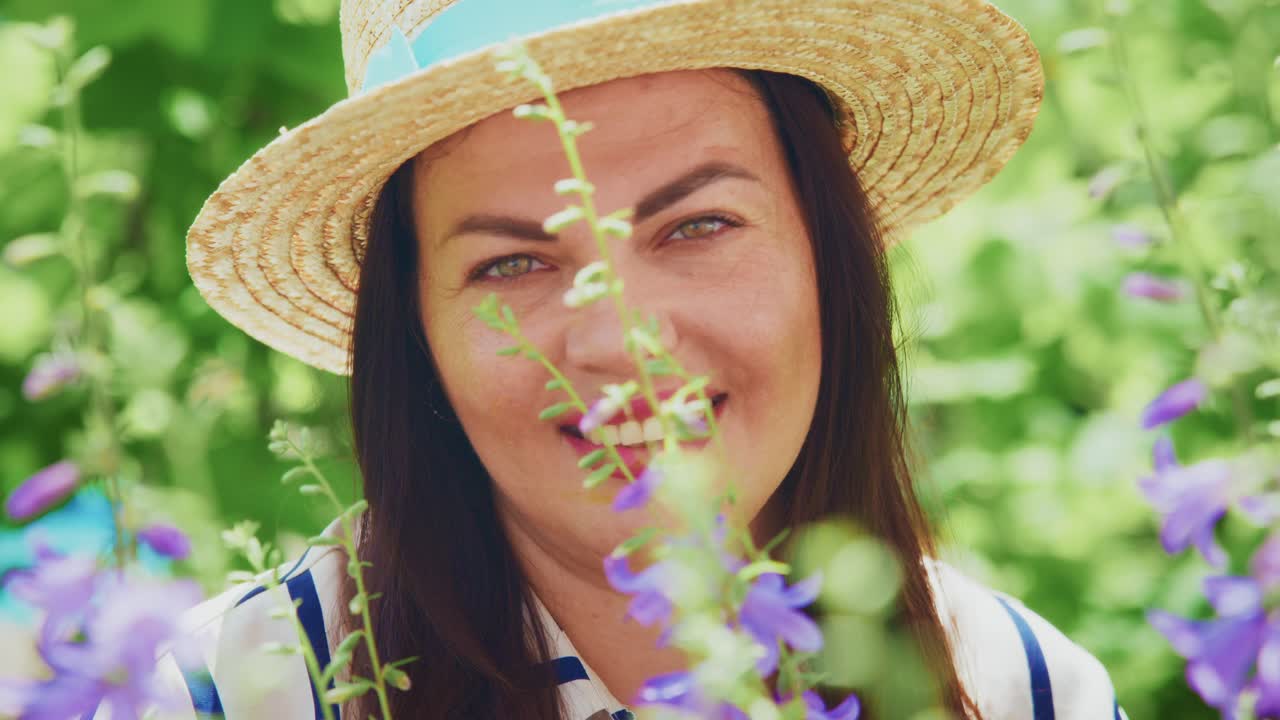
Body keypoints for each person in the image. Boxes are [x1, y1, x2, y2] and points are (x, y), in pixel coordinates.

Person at [165, 0, 1129, 718]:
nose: (622, 343)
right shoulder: (240, 689)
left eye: (698, 224)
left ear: (830, 255)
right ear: (414, 333)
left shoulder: (1020, 690)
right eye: (510, 262)